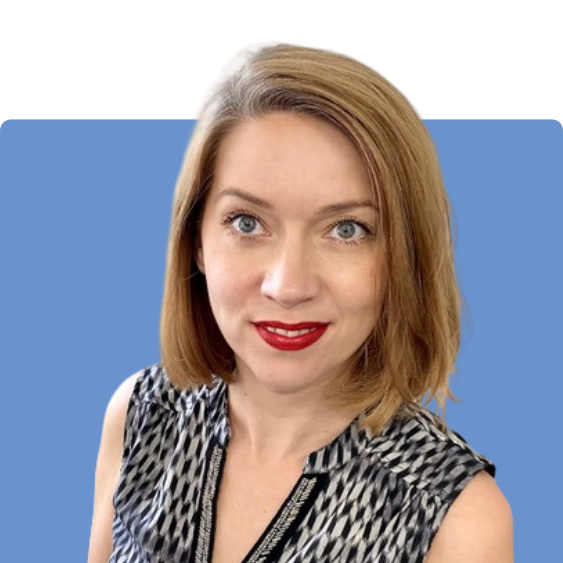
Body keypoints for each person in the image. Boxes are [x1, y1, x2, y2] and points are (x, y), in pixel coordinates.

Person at [88, 42, 514, 563]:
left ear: (405, 258)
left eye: (347, 229)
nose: (287, 287)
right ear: (196, 240)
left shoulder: (457, 517)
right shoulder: (141, 414)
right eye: (247, 223)